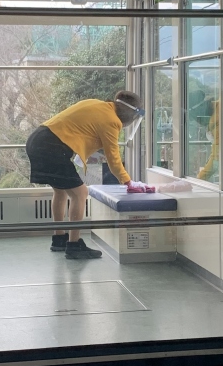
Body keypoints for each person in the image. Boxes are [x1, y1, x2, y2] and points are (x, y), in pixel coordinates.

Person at [26, 90, 144, 259]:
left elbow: (79, 131)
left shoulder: (96, 104)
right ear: (130, 115)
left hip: (38, 139)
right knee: (80, 193)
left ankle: (59, 239)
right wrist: (128, 182)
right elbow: (114, 159)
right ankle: (74, 246)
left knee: (60, 191)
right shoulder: (111, 121)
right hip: (51, 147)